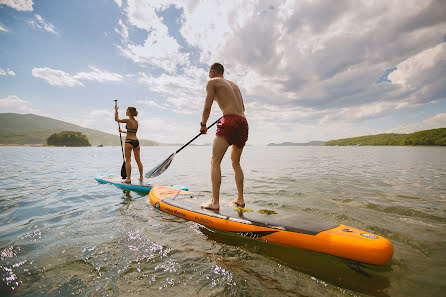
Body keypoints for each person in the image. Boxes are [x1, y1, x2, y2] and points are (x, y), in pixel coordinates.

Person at [200, 62, 249, 210]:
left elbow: (207, 106)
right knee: (236, 163)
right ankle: (240, 199)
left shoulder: (212, 82)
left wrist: (203, 125)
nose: (209, 75)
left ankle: (215, 202)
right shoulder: (234, 85)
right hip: (243, 122)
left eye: (209, 72)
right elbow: (243, 108)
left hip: (229, 121)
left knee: (215, 160)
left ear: (213, 72)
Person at [115, 105, 143, 184]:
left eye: (127, 110)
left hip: (129, 141)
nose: (126, 112)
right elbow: (131, 132)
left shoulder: (128, 120)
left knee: (128, 161)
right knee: (138, 160)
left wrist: (116, 110)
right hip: (136, 141)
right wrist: (122, 131)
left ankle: (128, 179)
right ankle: (141, 177)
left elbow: (116, 119)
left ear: (130, 113)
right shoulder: (136, 122)